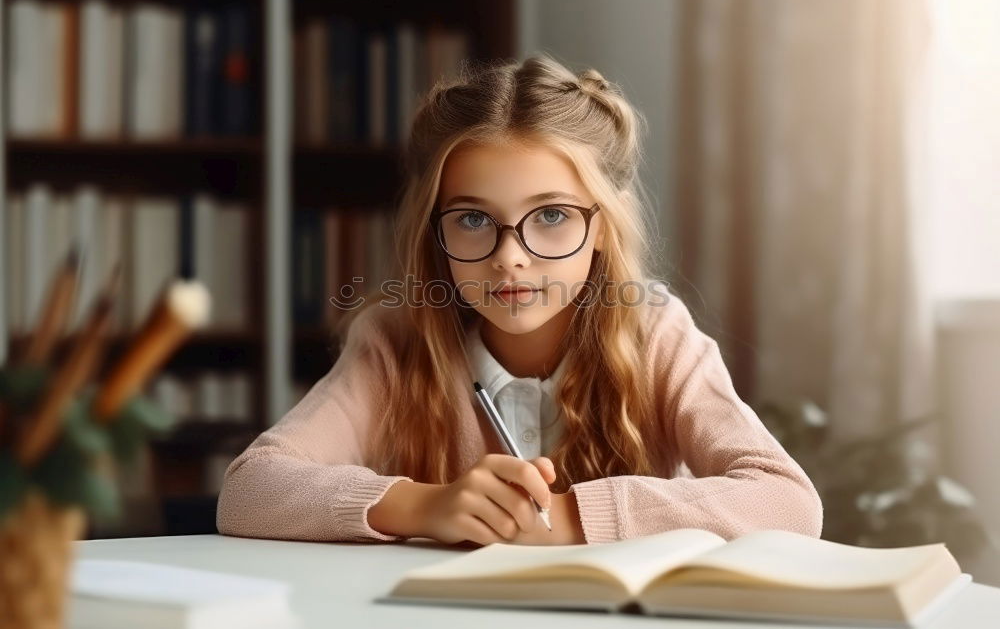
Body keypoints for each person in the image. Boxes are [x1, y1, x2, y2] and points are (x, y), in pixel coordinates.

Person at [216, 54, 823, 547]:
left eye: (552, 215)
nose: (510, 256)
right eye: (474, 219)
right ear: (436, 231)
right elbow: (250, 489)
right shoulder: (396, 338)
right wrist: (425, 505)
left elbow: (787, 501)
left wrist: (567, 520)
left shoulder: (655, 334)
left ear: (603, 229)